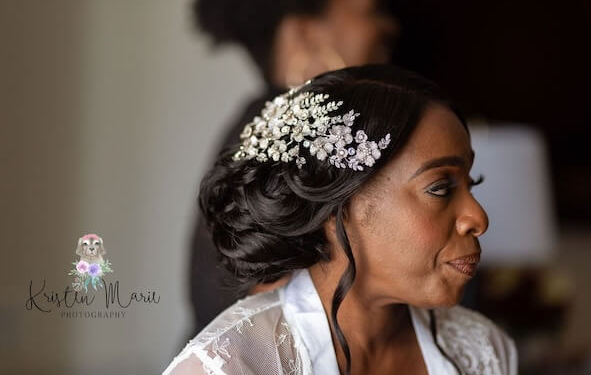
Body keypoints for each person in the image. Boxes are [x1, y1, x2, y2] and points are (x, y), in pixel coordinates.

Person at [164, 65, 518, 375]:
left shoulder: (482, 350)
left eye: (472, 185)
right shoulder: (232, 366)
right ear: (338, 207)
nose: (478, 218)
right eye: (441, 188)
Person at [189, 0, 399, 336]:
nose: (387, 25)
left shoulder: (273, 128)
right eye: (370, 9)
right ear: (305, 33)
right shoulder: (287, 145)